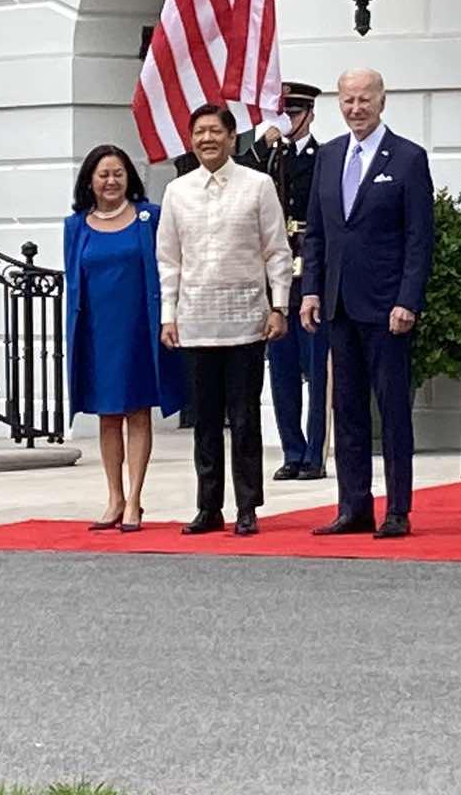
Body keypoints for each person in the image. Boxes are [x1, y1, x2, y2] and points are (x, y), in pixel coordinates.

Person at [300, 69, 434, 539]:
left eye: (365, 99)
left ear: (382, 101)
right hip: (338, 303)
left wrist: (407, 300)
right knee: (347, 409)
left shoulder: (409, 158)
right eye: (348, 100)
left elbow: (420, 239)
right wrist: (311, 289)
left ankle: (397, 508)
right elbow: (316, 233)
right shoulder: (330, 155)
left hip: (386, 307)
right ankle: (353, 505)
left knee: (392, 410)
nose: (356, 108)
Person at [157, 103, 294, 536]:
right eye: (199, 132)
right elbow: (169, 260)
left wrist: (280, 306)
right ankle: (208, 505)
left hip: (247, 319)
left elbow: (277, 250)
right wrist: (168, 314)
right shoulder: (177, 191)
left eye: (215, 131)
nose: (207, 139)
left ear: (233, 138)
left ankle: (248, 505)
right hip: (196, 320)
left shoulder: (257, 185)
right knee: (206, 421)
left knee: (245, 416)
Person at [63, 144, 185, 532]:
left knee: (137, 411)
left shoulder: (149, 218)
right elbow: (73, 280)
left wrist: (169, 317)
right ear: (90, 181)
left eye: (118, 173)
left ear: (129, 177)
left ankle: (135, 499)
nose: (111, 181)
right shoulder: (76, 225)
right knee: (107, 415)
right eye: (103, 174)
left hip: (139, 327)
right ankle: (113, 497)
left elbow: (168, 266)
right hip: (98, 331)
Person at [240, 81, 330, 481]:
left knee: (316, 369)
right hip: (276, 276)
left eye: (292, 115)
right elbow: (239, 176)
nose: (286, 122)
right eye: (280, 115)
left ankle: (315, 452)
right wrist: (264, 145)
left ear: (309, 114)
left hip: (310, 268)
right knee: (283, 370)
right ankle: (292, 450)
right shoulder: (266, 158)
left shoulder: (323, 157)